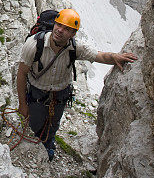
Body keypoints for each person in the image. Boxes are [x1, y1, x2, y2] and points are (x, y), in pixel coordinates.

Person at [16, 8, 138, 161]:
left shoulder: (75, 48)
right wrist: (22, 104)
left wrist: (115, 57)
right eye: (58, 25)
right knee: (36, 123)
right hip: (37, 92)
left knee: (54, 123)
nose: (60, 30)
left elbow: (98, 55)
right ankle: (38, 146)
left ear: (73, 34)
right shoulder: (34, 45)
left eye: (66, 29)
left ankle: (48, 144)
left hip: (60, 94)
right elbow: (21, 74)